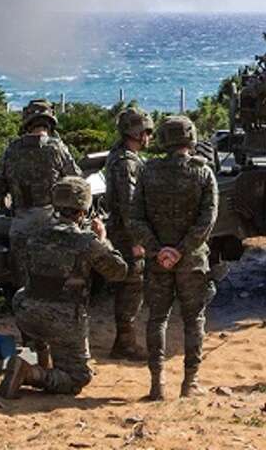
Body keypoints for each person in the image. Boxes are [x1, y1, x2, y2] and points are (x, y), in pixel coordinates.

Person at [0, 177, 128, 398]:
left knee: (35, 332)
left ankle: (26, 362)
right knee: (78, 378)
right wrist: (103, 239)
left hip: (27, 309)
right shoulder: (86, 241)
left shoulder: (34, 234)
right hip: (63, 318)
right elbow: (118, 271)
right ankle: (32, 374)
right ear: (83, 210)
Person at [129, 116, 217, 400]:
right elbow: (208, 219)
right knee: (194, 320)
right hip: (192, 261)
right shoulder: (203, 173)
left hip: (157, 262)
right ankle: (189, 383)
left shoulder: (147, 171)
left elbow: (135, 218)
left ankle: (157, 385)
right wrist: (181, 249)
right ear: (190, 138)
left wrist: (158, 250)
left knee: (157, 319)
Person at [0, 99, 83, 285]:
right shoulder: (57, 148)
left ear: (27, 123)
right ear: (50, 123)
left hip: (21, 225)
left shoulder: (11, 150)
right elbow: (77, 182)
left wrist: (5, 202)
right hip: (53, 223)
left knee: (23, 285)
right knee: (52, 281)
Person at [103, 106, 155, 360]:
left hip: (122, 230)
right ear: (136, 132)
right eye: (146, 131)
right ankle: (125, 343)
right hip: (127, 234)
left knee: (130, 286)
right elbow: (128, 203)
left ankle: (124, 341)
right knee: (132, 286)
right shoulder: (125, 162)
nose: (149, 137)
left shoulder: (120, 157)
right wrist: (137, 240)